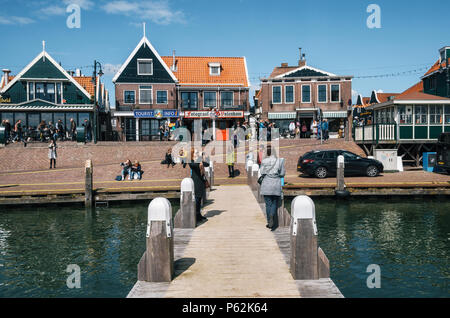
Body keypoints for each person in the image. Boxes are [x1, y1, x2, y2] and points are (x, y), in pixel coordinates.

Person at [259, 145, 285, 231]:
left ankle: (269, 221)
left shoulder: (264, 161)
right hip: (276, 184)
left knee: (268, 204)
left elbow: (262, 172)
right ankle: (272, 215)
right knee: (274, 202)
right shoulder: (280, 161)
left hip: (266, 184)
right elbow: (282, 173)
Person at [188, 148, 208, 224]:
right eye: (196, 153)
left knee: (199, 199)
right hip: (195, 182)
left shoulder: (199, 161)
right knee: (196, 200)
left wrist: (202, 157)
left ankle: (199, 215)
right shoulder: (191, 162)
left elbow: (207, 164)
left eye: (197, 153)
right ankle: (195, 216)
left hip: (201, 182)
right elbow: (195, 166)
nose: (197, 154)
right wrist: (199, 160)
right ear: (192, 154)